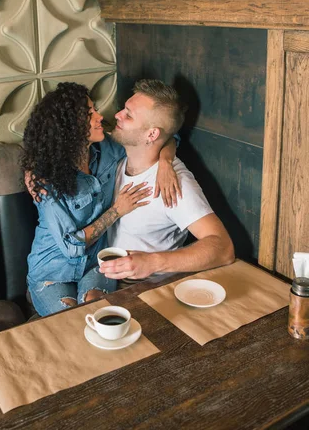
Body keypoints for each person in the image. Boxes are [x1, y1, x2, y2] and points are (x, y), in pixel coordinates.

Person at [21, 82, 180, 317]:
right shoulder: (46, 180)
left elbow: (165, 134)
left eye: (94, 109)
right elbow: (71, 247)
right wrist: (116, 211)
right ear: (69, 128)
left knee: (98, 313)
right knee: (72, 321)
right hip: (52, 272)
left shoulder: (108, 148)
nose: (99, 116)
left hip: (98, 264)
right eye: (89, 114)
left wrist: (166, 162)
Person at [100, 79, 235, 282]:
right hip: (106, 280)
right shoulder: (115, 156)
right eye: (123, 109)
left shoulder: (175, 183)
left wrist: (153, 263)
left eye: (128, 115)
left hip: (148, 289)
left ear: (152, 134)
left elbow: (224, 249)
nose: (117, 115)